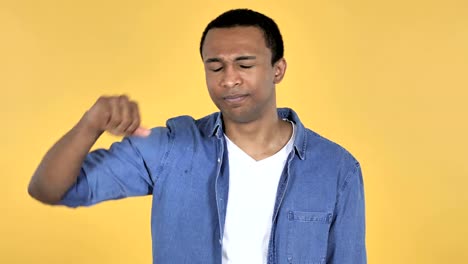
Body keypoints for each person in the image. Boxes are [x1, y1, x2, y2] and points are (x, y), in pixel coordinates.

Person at [28, 8, 366, 264]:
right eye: (215, 67)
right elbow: (49, 189)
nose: (229, 79)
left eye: (245, 65)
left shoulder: (337, 169)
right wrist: (91, 123)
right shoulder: (171, 149)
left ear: (278, 69)